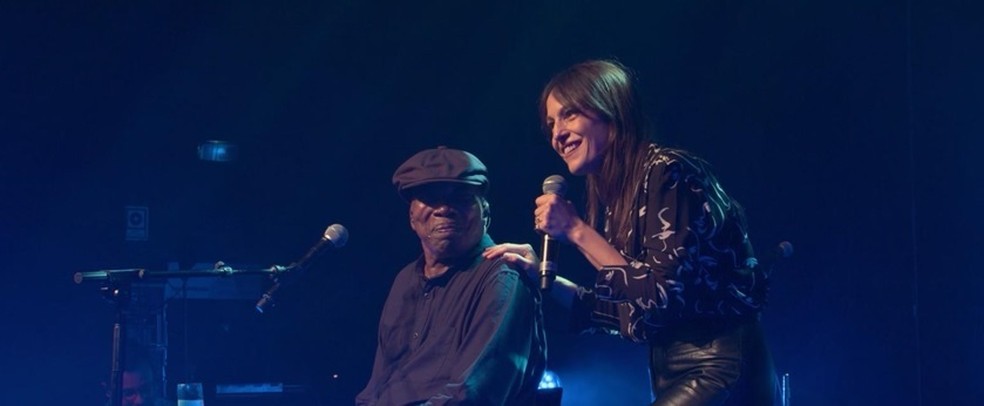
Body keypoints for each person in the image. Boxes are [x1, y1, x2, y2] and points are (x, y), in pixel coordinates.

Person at [484, 60, 777, 405]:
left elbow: (661, 295)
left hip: (719, 363)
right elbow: (632, 313)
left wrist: (576, 230)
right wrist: (545, 278)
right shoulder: (622, 197)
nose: (557, 134)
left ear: (611, 110)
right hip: (671, 368)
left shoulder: (668, 173)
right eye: (550, 124)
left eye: (570, 115)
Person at [356, 146, 547, 406]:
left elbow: (475, 392)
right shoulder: (404, 280)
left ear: (486, 213)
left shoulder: (503, 275)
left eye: (461, 196)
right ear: (412, 217)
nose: (444, 208)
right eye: (431, 197)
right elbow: (378, 383)